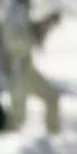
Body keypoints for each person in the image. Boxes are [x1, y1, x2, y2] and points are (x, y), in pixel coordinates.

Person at [4, 0, 61, 135]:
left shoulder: (23, 8)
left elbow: (28, 31)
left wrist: (45, 24)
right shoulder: (14, 11)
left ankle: (52, 139)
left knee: (52, 97)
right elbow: (14, 42)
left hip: (27, 68)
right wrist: (37, 32)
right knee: (17, 119)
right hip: (16, 69)